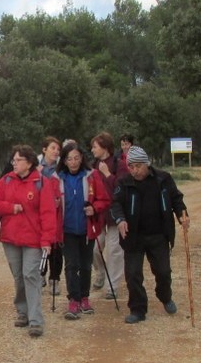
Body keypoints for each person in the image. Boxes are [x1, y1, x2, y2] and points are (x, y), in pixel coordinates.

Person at [109, 146, 190, 324]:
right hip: (133, 236)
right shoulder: (124, 182)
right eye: (131, 166)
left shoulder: (163, 179)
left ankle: (165, 296)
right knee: (133, 274)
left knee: (163, 272)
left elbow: (176, 198)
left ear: (147, 164)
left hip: (159, 235)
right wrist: (120, 219)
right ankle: (137, 309)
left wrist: (182, 215)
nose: (134, 170)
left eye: (138, 166)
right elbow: (115, 204)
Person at [0, 145, 59, 337]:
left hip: (33, 240)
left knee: (31, 275)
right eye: (14, 160)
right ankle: (22, 312)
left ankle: (36, 320)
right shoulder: (6, 181)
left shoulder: (41, 183)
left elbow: (48, 214)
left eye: (18, 160)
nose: (14, 163)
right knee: (19, 277)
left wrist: (47, 241)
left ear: (29, 163)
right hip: (10, 238)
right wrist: (10, 207)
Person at [58, 142, 110, 319]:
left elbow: (104, 199)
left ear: (82, 159)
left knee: (86, 264)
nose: (73, 162)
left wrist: (94, 208)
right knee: (71, 265)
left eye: (76, 158)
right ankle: (73, 299)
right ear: (64, 161)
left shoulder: (92, 176)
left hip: (87, 228)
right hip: (67, 229)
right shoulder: (58, 179)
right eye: (69, 159)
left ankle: (84, 297)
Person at [90, 131, 127, 299]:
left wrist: (106, 174)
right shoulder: (92, 165)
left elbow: (121, 188)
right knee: (95, 248)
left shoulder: (119, 164)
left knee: (114, 250)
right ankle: (100, 273)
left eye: (95, 147)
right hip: (98, 213)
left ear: (104, 147)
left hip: (115, 212)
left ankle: (112, 286)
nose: (92, 150)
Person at [37, 136, 64, 298]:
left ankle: (55, 279)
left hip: (57, 213)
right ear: (44, 149)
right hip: (39, 212)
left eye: (58, 149)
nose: (56, 151)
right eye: (53, 148)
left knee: (56, 247)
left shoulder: (61, 169)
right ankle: (41, 274)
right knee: (40, 245)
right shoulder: (35, 168)